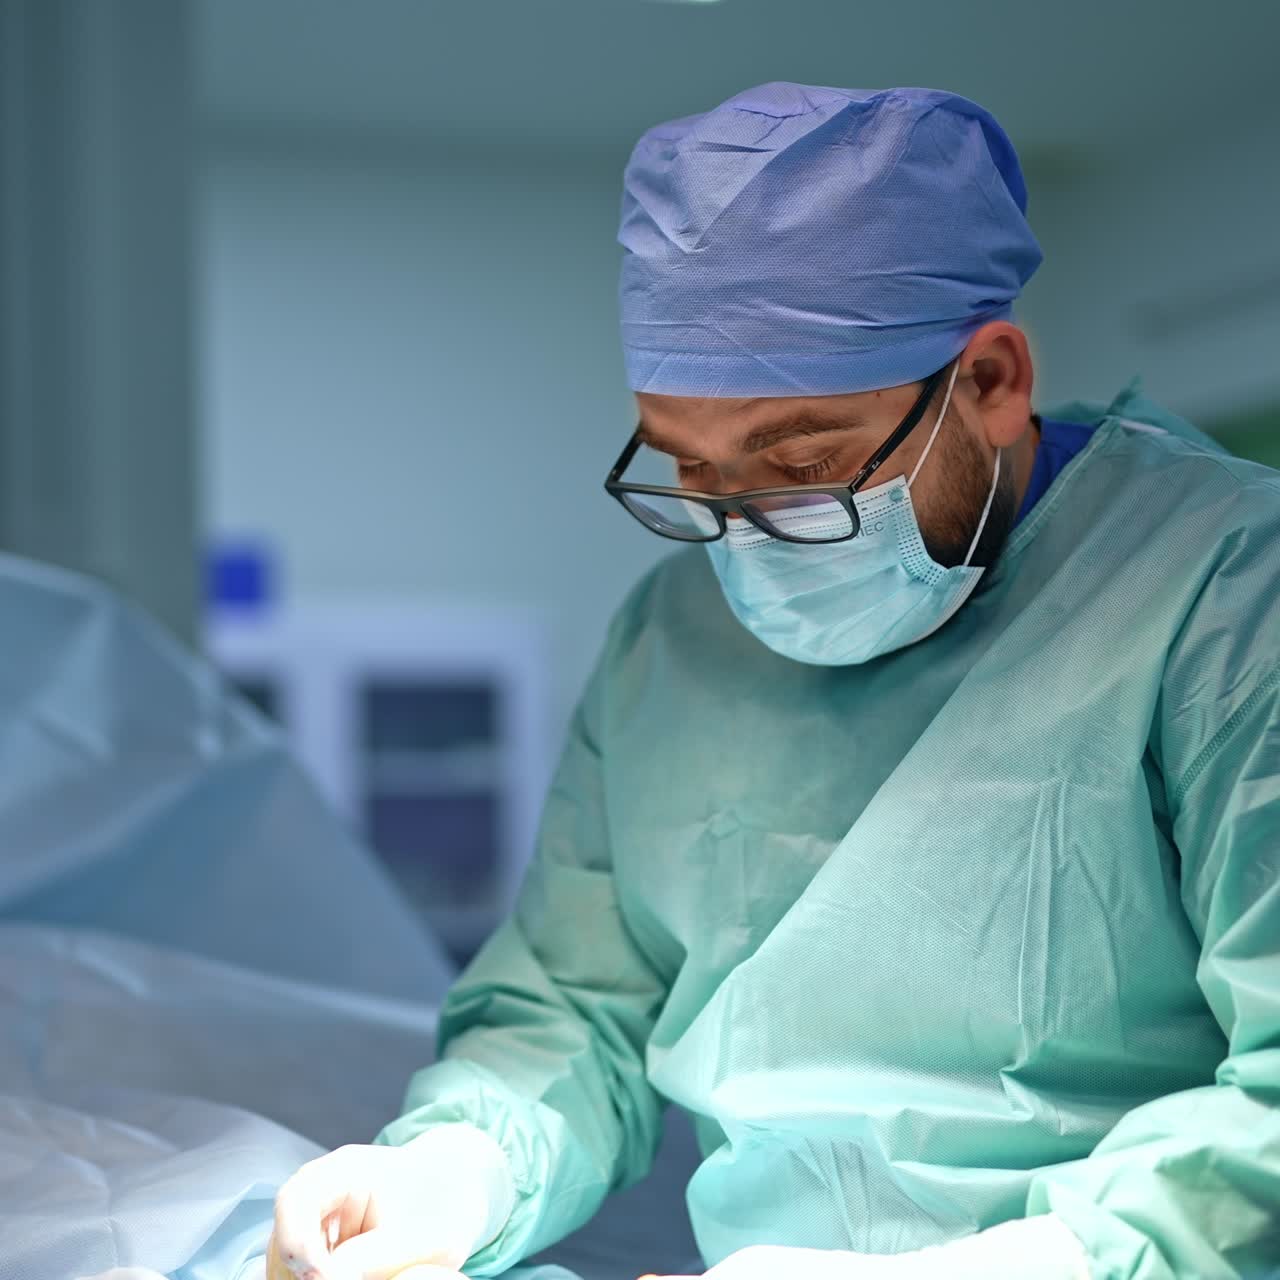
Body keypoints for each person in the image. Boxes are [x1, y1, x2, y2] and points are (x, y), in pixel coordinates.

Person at [272, 83, 1280, 1279]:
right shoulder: (670, 636)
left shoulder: (1222, 595)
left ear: (990, 382)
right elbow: (576, 1001)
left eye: (800, 465)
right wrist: (450, 1170)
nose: (742, 533)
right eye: (691, 472)